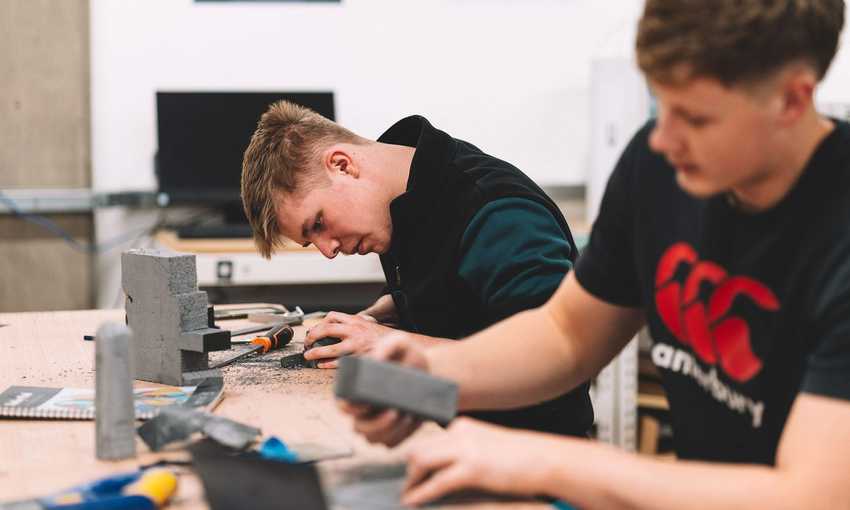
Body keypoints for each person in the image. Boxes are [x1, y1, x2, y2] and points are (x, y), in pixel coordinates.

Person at [338, 0, 850, 507]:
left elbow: (809, 495)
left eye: (695, 118)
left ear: (792, 100)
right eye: (660, 104)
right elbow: (568, 333)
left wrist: (539, 460)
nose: (664, 139)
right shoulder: (659, 172)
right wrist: (433, 375)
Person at [240, 102, 593, 437]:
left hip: (532, 457)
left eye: (317, 224)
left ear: (342, 165)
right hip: (452, 431)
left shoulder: (499, 214)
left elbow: (548, 366)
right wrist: (387, 310)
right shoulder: (406, 200)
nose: (328, 250)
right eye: (311, 241)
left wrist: (390, 341)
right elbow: (453, 287)